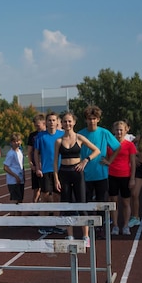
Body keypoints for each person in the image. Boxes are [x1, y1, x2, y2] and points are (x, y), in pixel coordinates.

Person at [53, 112, 100, 247]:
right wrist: (56, 179)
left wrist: (86, 160)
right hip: (64, 173)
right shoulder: (59, 141)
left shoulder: (80, 138)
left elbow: (96, 150)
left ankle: (86, 236)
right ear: (61, 124)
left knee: (82, 203)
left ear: (74, 123)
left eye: (69, 121)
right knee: (67, 205)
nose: (67, 124)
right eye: (65, 122)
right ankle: (70, 235)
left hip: (77, 172)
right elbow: (55, 162)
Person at [78, 105, 121, 238]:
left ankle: (100, 226)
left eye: (94, 118)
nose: (92, 121)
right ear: (86, 120)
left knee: (101, 201)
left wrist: (110, 161)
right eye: (89, 119)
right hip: (85, 174)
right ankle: (89, 227)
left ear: (98, 119)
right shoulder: (80, 134)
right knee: (87, 201)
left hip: (101, 173)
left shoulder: (104, 133)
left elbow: (117, 147)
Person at [34, 112, 66, 235]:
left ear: (57, 122)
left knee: (57, 197)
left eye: (54, 120)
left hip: (59, 170)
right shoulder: (40, 136)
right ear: (46, 122)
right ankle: (44, 224)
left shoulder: (62, 135)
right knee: (45, 197)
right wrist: (37, 167)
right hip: (46, 170)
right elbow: (36, 153)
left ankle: (56, 223)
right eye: (49, 120)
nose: (51, 122)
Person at [106, 121, 136, 235]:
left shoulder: (130, 145)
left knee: (126, 202)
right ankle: (115, 225)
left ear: (125, 130)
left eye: (121, 130)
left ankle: (126, 225)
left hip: (125, 176)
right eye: (117, 130)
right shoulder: (109, 144)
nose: (119, 132)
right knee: (114, 202)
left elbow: (133, 163)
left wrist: (132, 178)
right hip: (112, 176)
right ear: (114, 130)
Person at [26, 113, 46, 204]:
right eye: (35, 125)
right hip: (36, 166)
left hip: (46, 165)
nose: (37, 127)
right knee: (36, 189)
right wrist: (31, 164)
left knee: (47, 189)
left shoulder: (47, 134)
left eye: (38, 125)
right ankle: (35, 206)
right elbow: (29, 151)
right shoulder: (32, 136)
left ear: (43, 123)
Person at [3, 132, 25, 209]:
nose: (17, 143)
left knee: (20, 200)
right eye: (14, 141)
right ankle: (14, 217)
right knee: (15, 201)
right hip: (13, 181)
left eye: (18, 141)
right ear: (11, 143)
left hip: (20, 179)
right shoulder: (10, 154)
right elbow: (5, 167)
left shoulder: (20, 152)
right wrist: (15, 176)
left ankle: (18, 217)